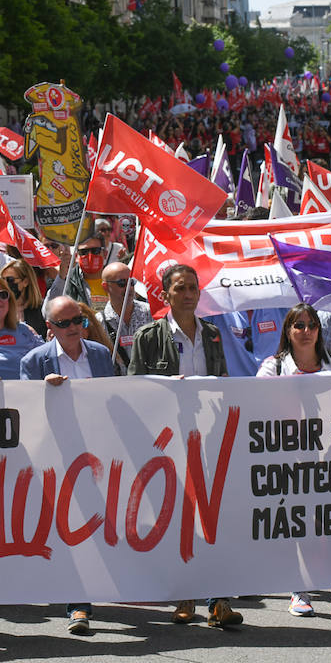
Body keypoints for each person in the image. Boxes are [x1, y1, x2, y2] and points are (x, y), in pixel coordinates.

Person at [127, 264, 239, 628]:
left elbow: (223, 381)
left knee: (212, 516)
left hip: (207, 437)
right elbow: (135, 389)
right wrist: (164, 385)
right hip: (169, 440)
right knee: (179, 518)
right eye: (181, 288)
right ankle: (184, 596)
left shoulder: (213, 334)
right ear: (166, 294)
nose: (189, 294)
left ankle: (218, 599)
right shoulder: (148, 336)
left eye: (193, 287)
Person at [256, 303, 331, 626]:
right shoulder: (272, 368)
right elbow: (257, 408)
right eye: (298, 325)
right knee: (299, 525)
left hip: (330, 458)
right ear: (287, 332)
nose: (306, 332)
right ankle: (300, 590)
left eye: (312, 325)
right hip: (290, 459)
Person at [19, 295, 115, 634]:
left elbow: (116, 399)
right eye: (65, 323)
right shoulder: (34, 361)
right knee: (72, 529)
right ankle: (78, 604)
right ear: (50, 327)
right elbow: (25, 411)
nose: (75, 328)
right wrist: (42, 392)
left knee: (97, 525)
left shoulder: (102, 354)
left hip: (99, 453)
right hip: (57, 456)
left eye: (79, 321)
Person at [100, 261, 150, 371]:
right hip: (116, 385)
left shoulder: (149, 313)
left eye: (131, 282)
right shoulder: (99, 322)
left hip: (149, 383)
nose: (129, 288)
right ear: (106, 286)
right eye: (122, 283)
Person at [1, 258, 48, 338]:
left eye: (10, 280)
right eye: (2, 280)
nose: (5, 284)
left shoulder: (42, 309)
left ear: (25, 282)